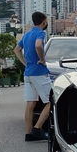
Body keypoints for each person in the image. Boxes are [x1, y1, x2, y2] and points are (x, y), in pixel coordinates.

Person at [13, 11, 50, 142]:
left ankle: (29, 133)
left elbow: (16, 50)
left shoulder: (27, 34)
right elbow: (38, 45)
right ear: (44, 21)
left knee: (31, 103)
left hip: (28, 73)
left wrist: (25, 63)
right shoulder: (40, 33)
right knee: (51, 101)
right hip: (39, 73)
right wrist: (42, 60)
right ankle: (37, 128)